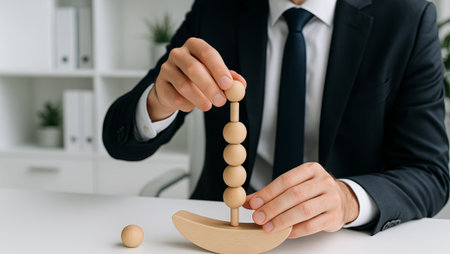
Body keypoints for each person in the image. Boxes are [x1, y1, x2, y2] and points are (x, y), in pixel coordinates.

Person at [103, 0, 449, 238]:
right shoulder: (217, 10)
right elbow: (119, 140)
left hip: (337, 243)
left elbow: (430, 173)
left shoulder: (406, 17)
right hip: (226, 231)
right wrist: (158, 102)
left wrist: (348, 199)